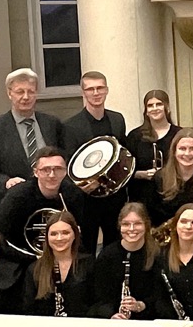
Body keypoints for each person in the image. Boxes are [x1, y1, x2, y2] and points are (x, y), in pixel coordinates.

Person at [0, 68, 65, 202]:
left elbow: (65, 159)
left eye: (31, 91)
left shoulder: (52, 124)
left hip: (51, 201)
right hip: (12, 202)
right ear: (9, 93)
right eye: (20, 92)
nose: (26, 97)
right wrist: (6, 182)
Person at [65, 71, 129, 251]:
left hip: (114, 197)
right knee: (86, 247)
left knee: (115, 246)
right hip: (87, 201)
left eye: (100, 88)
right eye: (90, 89)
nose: (96, 93)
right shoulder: (70, 126)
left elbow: (121, 153)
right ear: (83, 92)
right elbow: (69, 164)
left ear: (107, 90)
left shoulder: (117, 119)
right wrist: (83, 185)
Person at [0, 146, 88, 263]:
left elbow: (82, 233)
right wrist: (33, 259)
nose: (52, 175)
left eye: (58, 169)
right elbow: (0, 236)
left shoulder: (73, 194)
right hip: (24, 260)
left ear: (65, 171)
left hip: (63, 257)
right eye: (45, 169)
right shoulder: (17, 197)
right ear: (36, 172)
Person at [92, 202, 166, 320]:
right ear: (119, 226)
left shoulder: (157, 255)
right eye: (126, 224)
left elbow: (160, 297)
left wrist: (140, 306)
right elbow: (98, 296)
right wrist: (111, 314)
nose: (131, 229)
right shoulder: (108, 255)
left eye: (137, 224)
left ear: (146, 225)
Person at [22, 211, 95, 317]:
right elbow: (28, 309)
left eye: (65, 233)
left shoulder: (88, 263)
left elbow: (97, 303)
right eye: (53, 234)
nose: (59, 238)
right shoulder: (34, 269)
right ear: (46, 237)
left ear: (75, 234)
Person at [145, 128, 193, 226]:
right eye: (182, 148)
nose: (187, 153)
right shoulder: (159, 178)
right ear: (174, 151)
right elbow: (150, 214)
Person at [127, 89, 181, 200]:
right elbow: (125, 170)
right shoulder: (135, 136)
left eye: (159, 104)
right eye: (150, 105)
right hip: (142, 196)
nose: (155, 108)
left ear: (167, 107)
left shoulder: (179, 134)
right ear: (146, 111)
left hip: (172, 196)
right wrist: (141, 174)